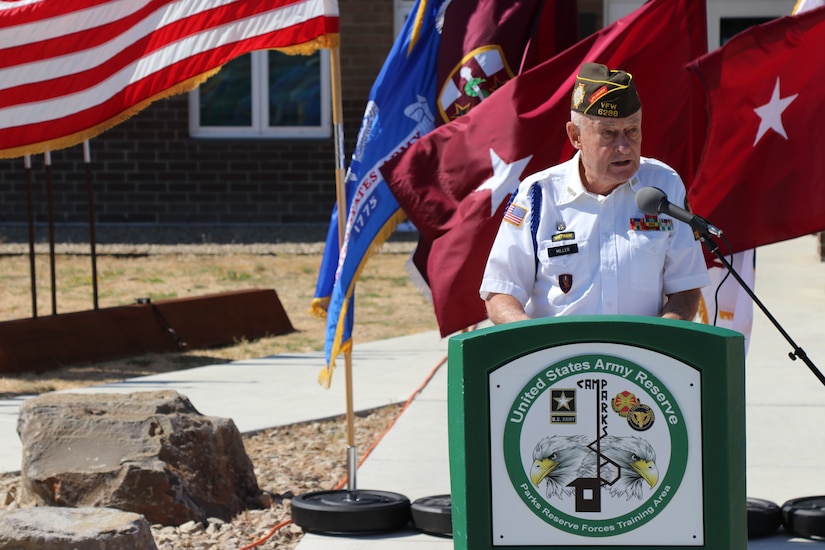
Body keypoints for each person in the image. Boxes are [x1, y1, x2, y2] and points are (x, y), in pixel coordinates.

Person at [480, 62, 710, 325]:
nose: (624, 147)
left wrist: (659, 343)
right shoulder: (538, 195)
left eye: (632, 130)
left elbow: (686, 288)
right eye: (608, 134)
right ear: (575, 136)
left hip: (639, 361)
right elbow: (501, 292)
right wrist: (538, 349)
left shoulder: (664, 185)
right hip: (560, 360)